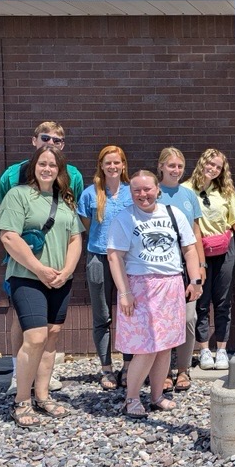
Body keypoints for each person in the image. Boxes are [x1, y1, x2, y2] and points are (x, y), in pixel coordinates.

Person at [0, 145, 83, 427]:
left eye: (52, 165)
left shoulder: (65, 200)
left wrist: (66, 271)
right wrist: (40, 269)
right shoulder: (18, 195)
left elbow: (75, 238)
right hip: (27, 277)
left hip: (59, 279)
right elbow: (9, 237)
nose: (47, 169)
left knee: (52, 336)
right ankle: (22, 400)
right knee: (34, 337)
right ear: (34, 166)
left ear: (59, 170)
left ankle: (43, 396)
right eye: (42, 163)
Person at [106, 170, 203, 418]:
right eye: (136, 190)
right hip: (140, 286)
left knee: (165, 346)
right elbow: (114, 257)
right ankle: (131, 398)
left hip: (171, 285)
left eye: (147, 189)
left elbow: (189, 249)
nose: (143, 194)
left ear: (157, 189)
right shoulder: (124, 218)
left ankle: (157, 396)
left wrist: (195, 280)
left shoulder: (174, 213)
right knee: (146, 347)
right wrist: (124, 292)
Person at [77, 145, 132, 391]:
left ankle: (128, 366)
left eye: (117, 162)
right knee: (102, 316)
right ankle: (107, 368)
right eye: (108, 162)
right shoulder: (90, 194)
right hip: (98, 258)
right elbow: (87, 224)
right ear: (101, 165)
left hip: (127, 260)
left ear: (123, 165)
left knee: (128, 313)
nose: (112, 166)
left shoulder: (131, 192)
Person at [184, 148, 235, 374]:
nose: (213, 169)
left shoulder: (226, 191)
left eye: (218, 167)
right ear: (202, 163)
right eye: (211, 164)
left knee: (223, 300)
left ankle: (222, 349)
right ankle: (204, 349)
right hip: (198, 250)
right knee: (201, 300)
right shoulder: (186, 189)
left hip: (225, 249)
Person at [155, 148, 204, 391]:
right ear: (161, 166)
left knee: (188, 317)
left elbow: (196, 232)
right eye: (171, 165)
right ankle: (163, 372)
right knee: (162, 319)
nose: (176, 170)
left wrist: (201, 266)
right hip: (160, 266)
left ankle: (183, 369)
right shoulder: (153, 192)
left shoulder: (188, 195)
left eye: (180, 166)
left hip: (186, 265)